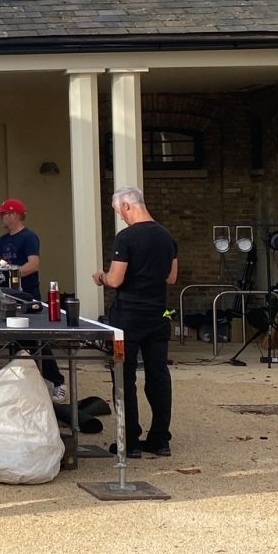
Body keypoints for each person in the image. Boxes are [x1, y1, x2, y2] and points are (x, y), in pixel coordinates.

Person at [92, 186, 177, 458]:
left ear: (127, 206)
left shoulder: (126, 238)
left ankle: (130, 440)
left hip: (127, 316)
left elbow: (116, 279)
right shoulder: (166, 236)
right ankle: (161, 438)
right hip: (158, 314)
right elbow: (171, 277)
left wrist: (101, 277)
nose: (121, 217)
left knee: (124, 376)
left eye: (119, 212)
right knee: (158, 375)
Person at [0, 198, 66, 403]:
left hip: (28, 296)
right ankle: (24, 382)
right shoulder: (3, 239)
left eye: (4, 213)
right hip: (8, 296)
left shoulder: (29, 237)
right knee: (16, 339)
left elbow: (33, 265)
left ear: (14, 215)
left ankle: (57, 381)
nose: (1, 216)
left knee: (36, 340)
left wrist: (12, 274)